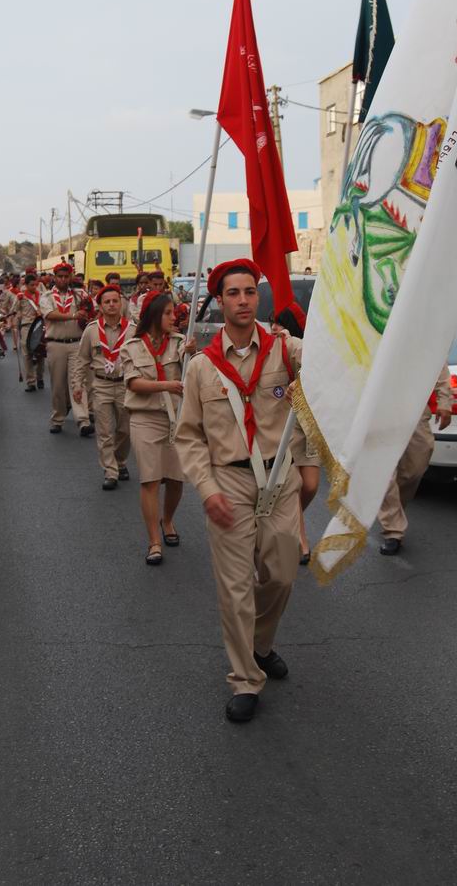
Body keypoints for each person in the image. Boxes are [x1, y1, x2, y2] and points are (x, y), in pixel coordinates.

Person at [175, 258, 303, 723]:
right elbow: (187, 436)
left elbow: (332, 366)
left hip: (278, 477)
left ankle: (261, 643)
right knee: (234, 589)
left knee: (283, 572)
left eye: (250, 291)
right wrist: (206, 489)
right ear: (221, 301)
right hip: (227, 478)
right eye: (234, 293)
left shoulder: (284, 350)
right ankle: (245, 678)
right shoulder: (200, 369)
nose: (244, 300)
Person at [120, 291, 192, 565]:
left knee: (176, 477)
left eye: (174, 313)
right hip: (145, 417)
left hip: (176, 418)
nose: (174, 318)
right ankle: (153, 541)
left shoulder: (181, 343)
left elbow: (193, 373)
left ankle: (168, 520)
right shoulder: (133, 346)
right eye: (168, 313)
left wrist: (192, 354)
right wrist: (167, 386)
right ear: (154, 315)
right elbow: (134, 383)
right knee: (150, 479)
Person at [377, 366, 453, 555]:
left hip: (414, 408)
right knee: (384, 472)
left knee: (415, 469)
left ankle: (393, 510)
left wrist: (445, 401)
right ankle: (393, 530)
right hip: (376, 410)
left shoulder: (418, 336)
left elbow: (437, 362)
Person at [73, 285, 134, 490]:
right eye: (107, 302)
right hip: (101, 385)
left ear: (121, 303)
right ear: (100, 306)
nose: (111, 305)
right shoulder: (91, 330)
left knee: (125, 429)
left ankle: (120, 460)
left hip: (126, 385)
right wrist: (77, 384)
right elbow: (81, 359)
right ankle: (110, 471)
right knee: (105, 431)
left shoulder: (132, 330)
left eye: (115, 301)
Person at [270, 307, 318, 565]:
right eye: (271, 324)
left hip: (309, 421)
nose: (274, 328)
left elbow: (320, 372)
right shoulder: (274, 349)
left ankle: (287, 518)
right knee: (293, 483)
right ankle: (300, 537)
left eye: (279, 324)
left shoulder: (300, 347)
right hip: (284, 422)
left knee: (310, 485)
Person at [40, 263, 93, 436]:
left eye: (66, 276)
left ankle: (83, 420)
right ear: (55, 277)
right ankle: (58, 418)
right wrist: (73, 315)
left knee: (78, 382)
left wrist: (88, 314)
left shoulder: (80, 295)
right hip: (55, 344)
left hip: (76, 343)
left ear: (70, 277)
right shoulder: (47, 296)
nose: (63, 279)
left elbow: (92, 310)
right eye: (60, 276)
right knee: (58, 385)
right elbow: (50, 315)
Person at [15, 273, 45, 392]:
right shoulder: (21, 297)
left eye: (36, 285)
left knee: (40, 353)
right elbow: (15, 310)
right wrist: (18, 302)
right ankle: (30, 382)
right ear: (26, 285)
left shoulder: (42, 296)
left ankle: (40, 378)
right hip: (27, 326)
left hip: (39, 326)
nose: (34, 287)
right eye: (31, 285)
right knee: (27, 354)